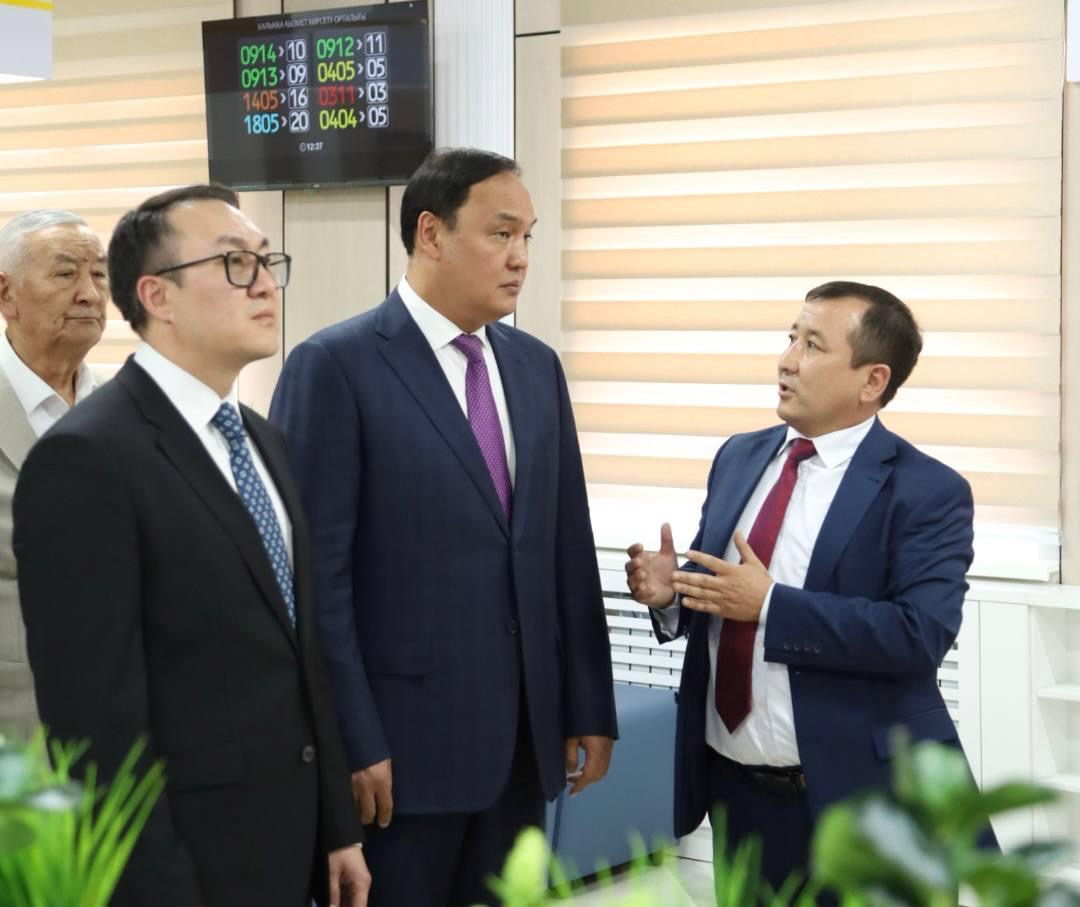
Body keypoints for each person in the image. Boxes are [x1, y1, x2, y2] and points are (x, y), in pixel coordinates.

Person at [269, 147, 618, 907]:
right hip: (399, 758)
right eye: (501, 233)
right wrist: (350, 738)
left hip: (523, 748)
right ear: (431, 233)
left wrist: (589, 703)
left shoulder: (535, 367)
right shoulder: (335, 365)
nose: (521, 257)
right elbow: (313, 581)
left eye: (528, 237)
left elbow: (565, 548)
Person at [13, 185, 370, 907]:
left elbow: (300, 655)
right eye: (235, 263)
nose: (264, 283)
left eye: (267, 261)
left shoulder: (262, 439)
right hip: (186, 861)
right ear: (157, 296)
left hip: (292, 844)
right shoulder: (87, 456)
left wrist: (337, 826)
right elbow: (96, 727)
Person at [625, 281, 978, 890]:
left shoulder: (927, 491)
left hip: (855, 800)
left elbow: (918, 635)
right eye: (791, 338)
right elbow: (726, 589)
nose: (786, 360)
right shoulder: (739, 456)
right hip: (733, 790)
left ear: (872, 381)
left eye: (812, 345)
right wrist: (673, 593)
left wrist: (771, 606)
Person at [0, 209, 106, 736]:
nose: (90, 293)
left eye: (100, 274)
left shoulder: (128, 410)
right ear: (6, 295)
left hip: (120, 729)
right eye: (66, 274)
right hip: (14, 730)